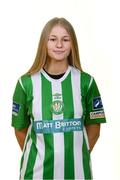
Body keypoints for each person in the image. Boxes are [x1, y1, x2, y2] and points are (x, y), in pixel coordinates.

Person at [12, 17, 106, 180]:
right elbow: (20, 130)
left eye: (65, 39)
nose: (59, 45)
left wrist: (73, 155)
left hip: (77, 173)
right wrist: (44, 156)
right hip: (36, 174)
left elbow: (94, 129)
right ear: (44, 43)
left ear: (73, 44)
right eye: (53, 39)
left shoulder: (86, 82)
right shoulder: (25, 83)